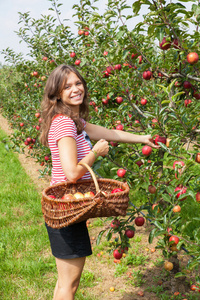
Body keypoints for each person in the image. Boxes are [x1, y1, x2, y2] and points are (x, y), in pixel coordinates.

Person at [40, 64, 159, 300]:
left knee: (64, 282)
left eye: (78, 83)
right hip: (67, 209)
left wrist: (141, 138)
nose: (76, 89)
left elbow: (110, 133)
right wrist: (95, 152)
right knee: (69, 286)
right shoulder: (64, 123)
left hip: (66, 207)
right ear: (57, 94)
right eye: (68, 86)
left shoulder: (73, 121)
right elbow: (72, 173)